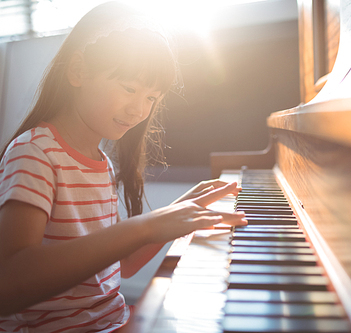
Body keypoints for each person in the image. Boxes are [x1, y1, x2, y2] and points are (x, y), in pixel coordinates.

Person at [0, 2, 246, 332]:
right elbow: (10, 282)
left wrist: (177, 212)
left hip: (113, 320)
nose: (139, 110)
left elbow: (123, 264)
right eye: (130, 88)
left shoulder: (100, 163)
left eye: (151, 98)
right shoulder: (35, 153)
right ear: (78, 72)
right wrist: (144, 226)